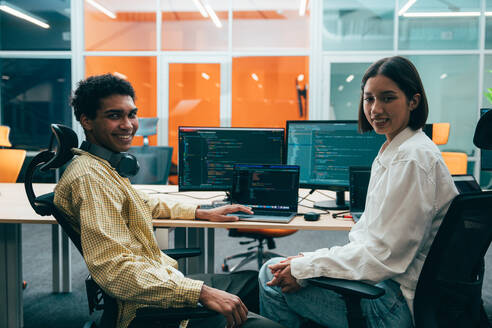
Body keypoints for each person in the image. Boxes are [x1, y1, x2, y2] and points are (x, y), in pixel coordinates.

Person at [54, 74, 283, 328]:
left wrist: (201, 211)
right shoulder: (90, 179)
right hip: (149, 308)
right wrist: (201, 292)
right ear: (86, 120)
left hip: (161, 281)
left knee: (259, 281)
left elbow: (145, 202)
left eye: (132, 114)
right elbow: (115, 272)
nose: (128, 125)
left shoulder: (104, 167)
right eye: (114, 115)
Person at [258, 56, 459, 328]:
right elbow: (368, 241)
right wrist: (308, 262)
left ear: (413, 101)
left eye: (388, 98)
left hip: (396, 303)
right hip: (396, 287)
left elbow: (384, 256)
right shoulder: (398, 150)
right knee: (287, 268)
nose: (376, 109)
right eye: (369, 99)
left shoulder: (410, 159)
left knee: (270, 277)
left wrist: (306, 267)